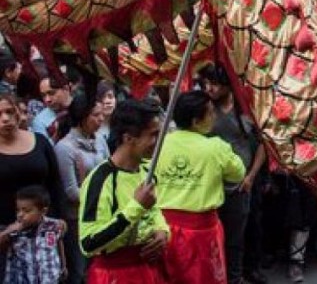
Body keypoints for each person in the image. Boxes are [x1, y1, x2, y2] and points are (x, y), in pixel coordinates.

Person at [156, 90, 246, 284]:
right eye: (211, 113)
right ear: (196, 121)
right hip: (201, 232)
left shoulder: (160, 144)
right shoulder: (215, 147)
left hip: (163, 228)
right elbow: (238, 172)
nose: (214, 117)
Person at [78, 99, 169, 283]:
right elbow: (88, 243)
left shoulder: (147, 171)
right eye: (154, 135)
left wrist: (163, 231)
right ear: (128, 138)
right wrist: (135, 207)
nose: (159, 142)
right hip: (114, 274)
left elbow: (153, 210)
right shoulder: (100, 180)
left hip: (148, 270)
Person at [199, 64, 267, 284]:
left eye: (215, 84)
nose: (209, 88)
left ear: (228, 85)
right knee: (212, 237)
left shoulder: (245, 107)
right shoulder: (204, 108)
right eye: (206, 83)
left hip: (241, 184)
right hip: (211, 183)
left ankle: (236, 277)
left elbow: (262, 144)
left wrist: (251, 176)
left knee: (237, 238)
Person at [0, 94, 63, 283]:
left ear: (19, 113)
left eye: (10, 112)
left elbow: (55, 184)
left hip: (43, 233)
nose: (5, 118)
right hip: (5, 238)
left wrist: (58, 222)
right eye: (0, 113)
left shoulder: (40, 142)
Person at [54, 94, 110, 283]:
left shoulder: (101, 139)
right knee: (79, 270)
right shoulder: (65, 148)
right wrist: (103, 198)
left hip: (102, 215)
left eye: (102, 115)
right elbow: (71, 191)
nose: (101, 119)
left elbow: (110, 169)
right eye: (96, 115)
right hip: (77, 219)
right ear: (81, 116)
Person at [0, 185, 66, 284]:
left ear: (43, 211)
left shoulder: (53, 225)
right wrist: (9, 231)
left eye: (26, 211)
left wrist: (63, 265)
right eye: (18, 210)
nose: (20, 214)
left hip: (49, 279)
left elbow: (59, 241)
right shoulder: (13, 231)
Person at [33, 74, 74, 142]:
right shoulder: (39, 121)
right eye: (43, 95)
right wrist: (57, 134)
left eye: (51, 93)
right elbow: (45, 150)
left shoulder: (83, 106)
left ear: (66, 89)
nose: (47, 100)